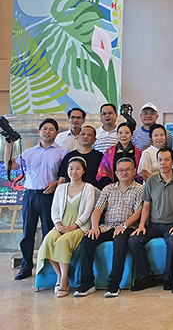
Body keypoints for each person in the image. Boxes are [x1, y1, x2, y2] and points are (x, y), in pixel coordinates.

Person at [5, 118, 67, 280]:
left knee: (49, 231)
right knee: (28, 232)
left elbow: (65, 175)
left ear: (56, 133)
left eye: (51, 129)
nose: (47, 131)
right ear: (39, 132)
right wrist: (8, 146)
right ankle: (26, 266)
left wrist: (55, 184)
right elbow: (10, 166)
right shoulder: (29, 152)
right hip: (30, 195)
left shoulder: (62, 152)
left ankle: (48, 266)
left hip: (49, 195)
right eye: (44, 128)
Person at [74, 157, 143, 297]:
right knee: (87, 240)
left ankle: (114, 283)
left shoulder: (140, 189)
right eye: (120, 170)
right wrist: (95, 227)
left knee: (120, 241)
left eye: (127, 169)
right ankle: (87, 282)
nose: (124, 173)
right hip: (108, 226)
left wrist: (124, 225)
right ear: (116, 173)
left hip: (128, 227)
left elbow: (139, 212)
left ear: (134, 171)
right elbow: (98, 209)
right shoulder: (108, 189)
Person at [129, 147, 173, 292]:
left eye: (166, 160)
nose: (163, 163)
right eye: (160, 160)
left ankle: (168, 278)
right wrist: (141, 225)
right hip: (154, 224)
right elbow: (146, 206)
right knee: (133, 240)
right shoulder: (151, 180)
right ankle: (145, 277)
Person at [36, 157, 95, 297]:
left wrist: (73, 226)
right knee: (48, 240)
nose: (74, 171)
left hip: (79, 227)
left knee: (62, 242)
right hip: (61, 226)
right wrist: (58, 224)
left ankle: (63, 280)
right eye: (71, 168)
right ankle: (60, 276)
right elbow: (54, 209)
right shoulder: (61, 188)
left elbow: (88, 212)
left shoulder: (88, 188)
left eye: (78, 168)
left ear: (83, 171)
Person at [96, 122, 143, 189]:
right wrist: (109, 185)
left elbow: (141, 172)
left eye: (127, 133)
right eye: (120, 133)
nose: (123, 135)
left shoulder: (138, 153)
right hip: (113, 188)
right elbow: (103, 171)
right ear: (117, 135)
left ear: (131, 135)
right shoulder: (109, 152)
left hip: (134, 188)